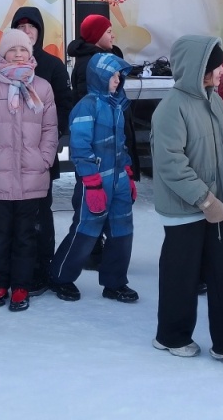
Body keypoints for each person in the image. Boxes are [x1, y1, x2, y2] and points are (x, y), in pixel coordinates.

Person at [150, 35, 223, 370]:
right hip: (186, 209)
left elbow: (219, 152)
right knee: (181, 277)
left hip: (218, 205)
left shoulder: (213, 100)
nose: (222, 72)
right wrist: (204, 199)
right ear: (197, 68)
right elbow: (170, 163)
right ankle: (172, 336)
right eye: (215, 67)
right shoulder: (171, 108)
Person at [0, 29, 58, 312]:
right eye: (12, 50)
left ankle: (21, 286)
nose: (18, 54)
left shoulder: (42, 87)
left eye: (23, 50)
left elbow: (50, 129)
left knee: (25, 237)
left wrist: (44, 159)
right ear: (3, 54)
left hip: (32, 175)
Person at [50, 52, 137, 303]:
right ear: (99, 76)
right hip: (95, 182)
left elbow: (121, 144)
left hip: (119, 179)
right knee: (86, 230)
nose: (117, 80)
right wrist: (91, 180)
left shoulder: (117, 104)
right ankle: (60, 277)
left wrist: (128, 173)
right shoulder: (87, 106)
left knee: (122, 231)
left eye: (119, 75)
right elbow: (80, 147)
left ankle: (115, 282)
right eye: (113, 75)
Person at [10, 7, 74, 296]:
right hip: (10, 156)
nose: (27, 31)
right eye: (21, 26)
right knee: (14, 214)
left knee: (40, 212)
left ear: (40, 31)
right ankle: (19, 270)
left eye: (32, 26)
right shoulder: (2, 64)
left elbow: (65, 105)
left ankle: (44, 267)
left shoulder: (52, 65)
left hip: (40, 154)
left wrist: (49, 141)